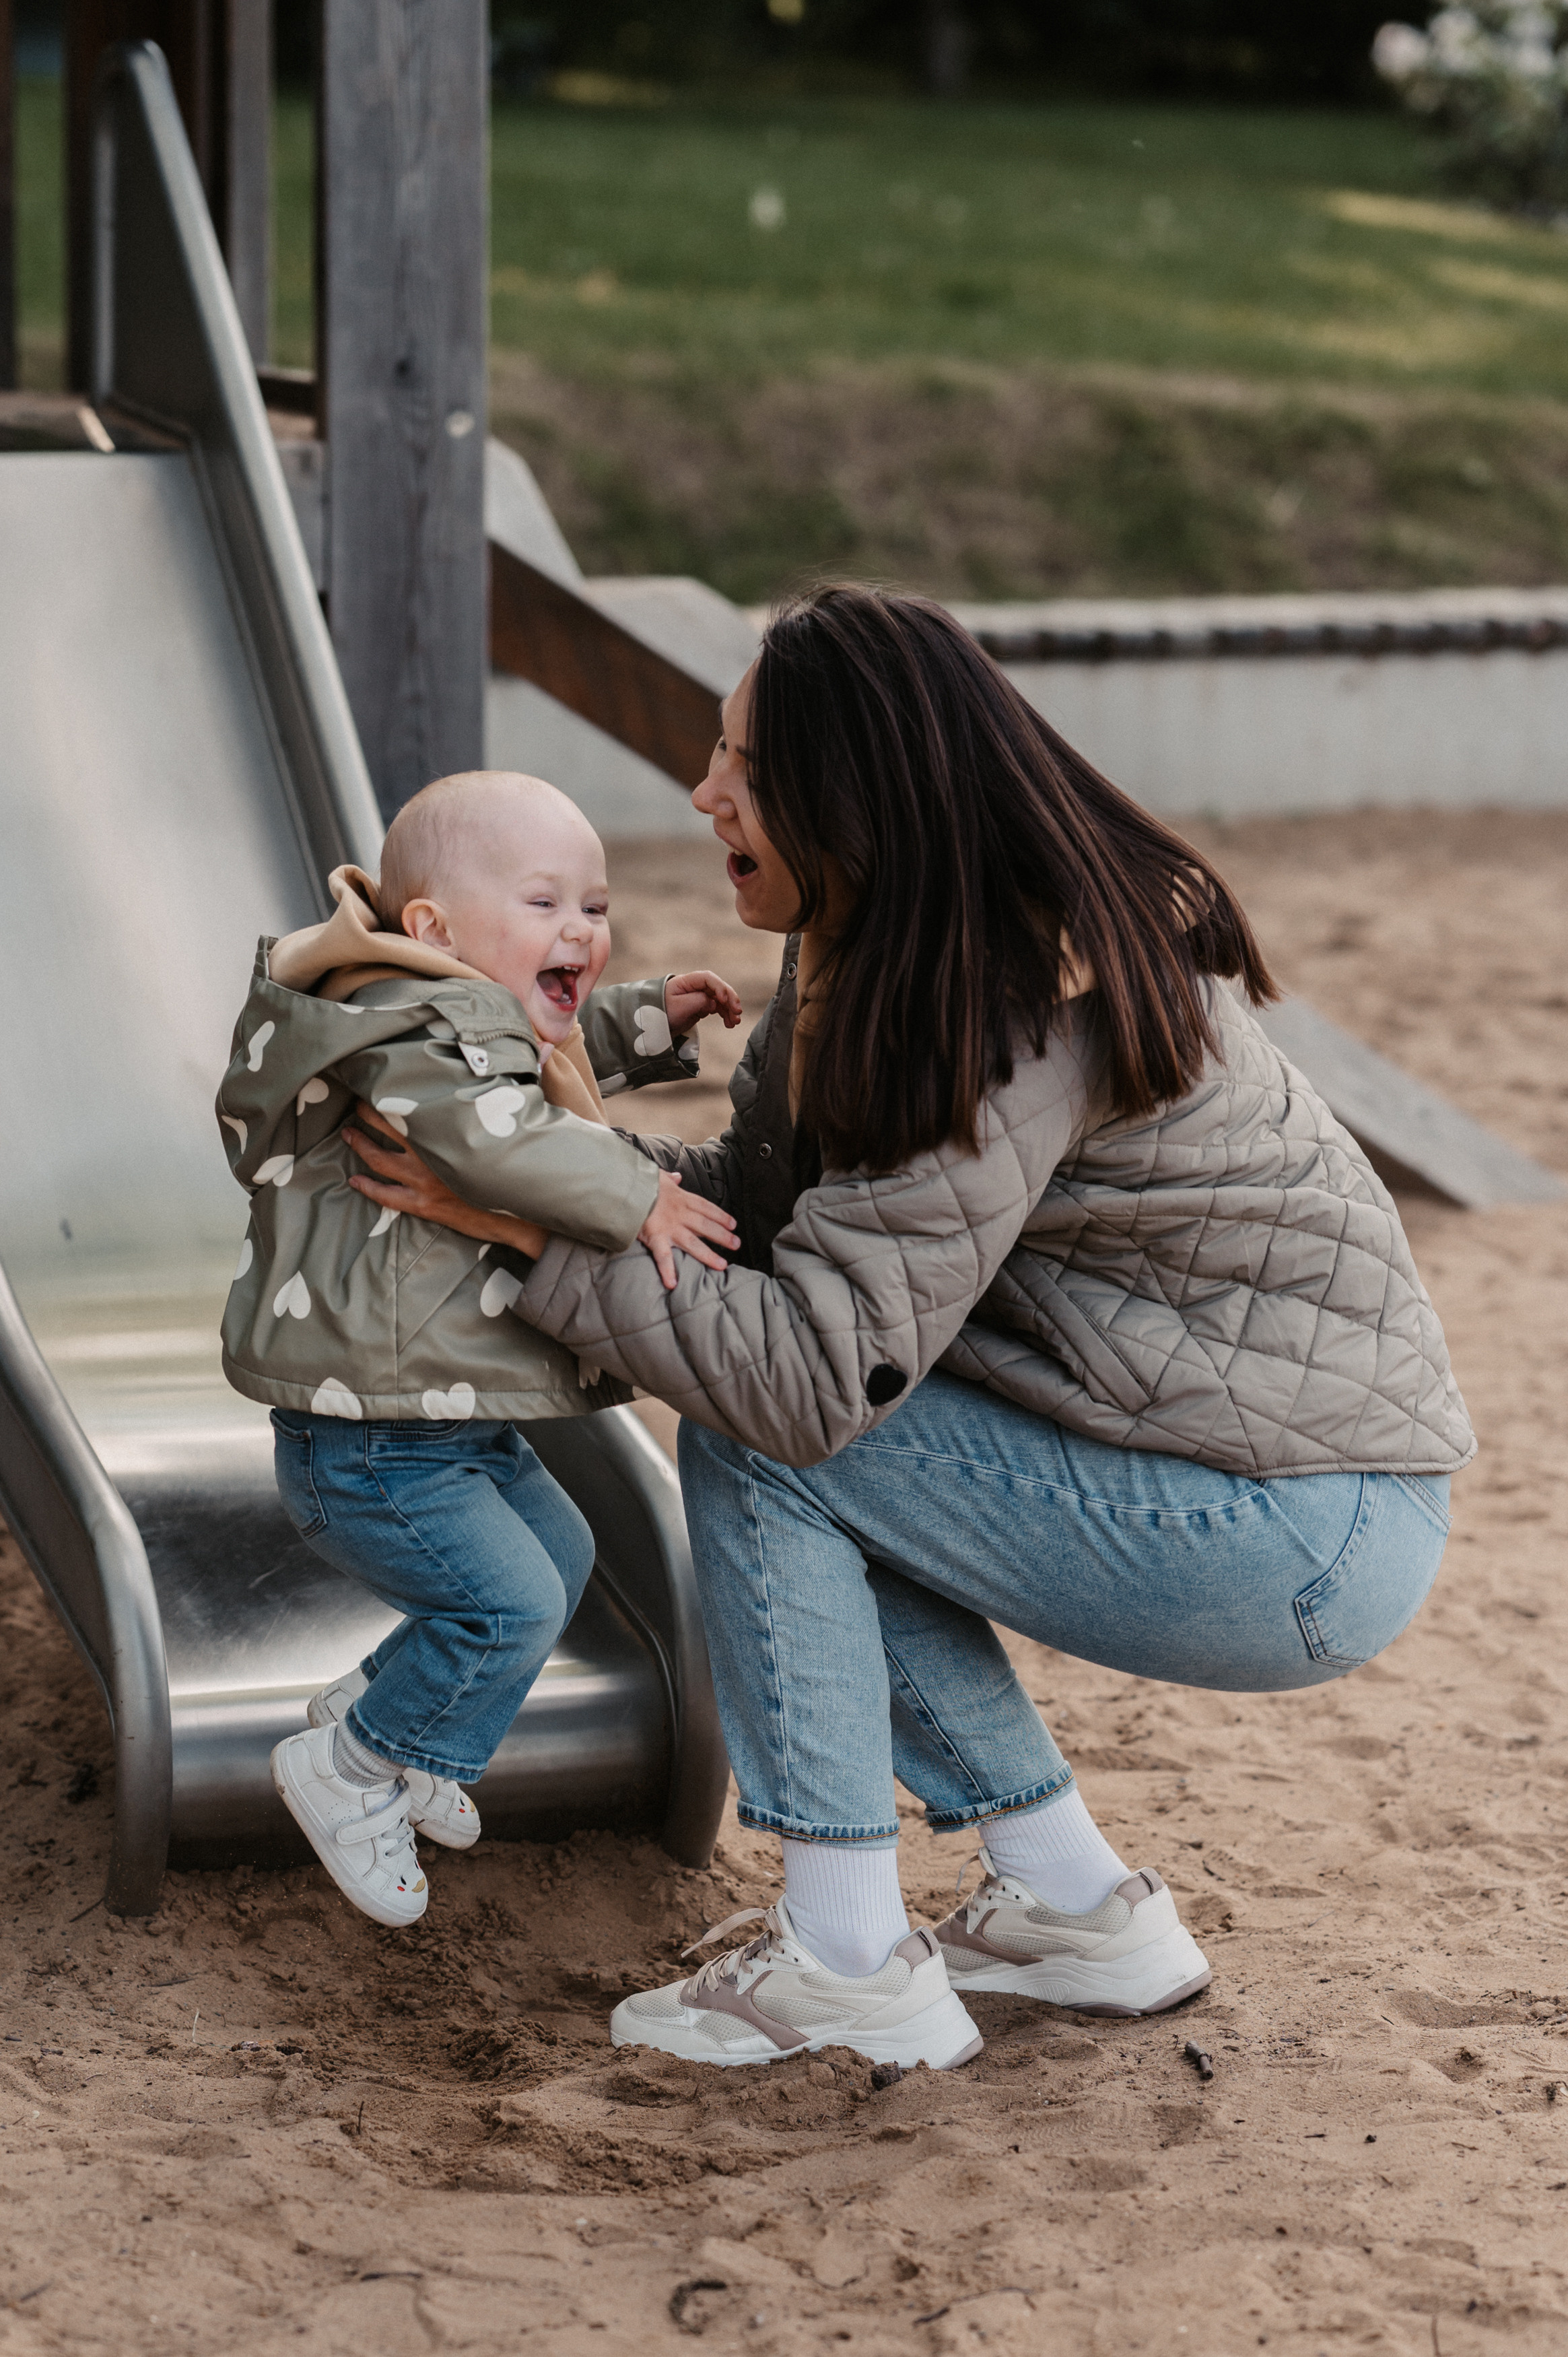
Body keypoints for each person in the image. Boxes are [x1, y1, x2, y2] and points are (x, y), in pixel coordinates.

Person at [342, 591, 1475, 2069]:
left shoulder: (1009, 1005)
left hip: (1303, 1525)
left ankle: (847, 1956)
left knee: (777, 1446)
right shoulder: (886, 941)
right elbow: (763, 1214)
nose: (702, 793)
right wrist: (539, 1167)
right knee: (831, 1443)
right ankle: (1078, 1908)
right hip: (1255, 1472)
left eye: (741, 763)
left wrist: (532, 1233)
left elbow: (808, 1374)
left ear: (847, 791)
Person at [216, 770, 742, 1929]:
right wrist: (636, 1194)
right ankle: (353, 1765)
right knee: (504, 1606)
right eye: (548, 904)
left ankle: (399, 1726)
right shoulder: (403, 1033)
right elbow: (493, 1127)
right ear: (433, 933)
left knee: (558, 1558)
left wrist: (647, 1017)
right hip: (373, 1440)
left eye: (594, 909)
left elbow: (529, 1048)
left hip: (438, 1417)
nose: (583, 931)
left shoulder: (446, 1016)